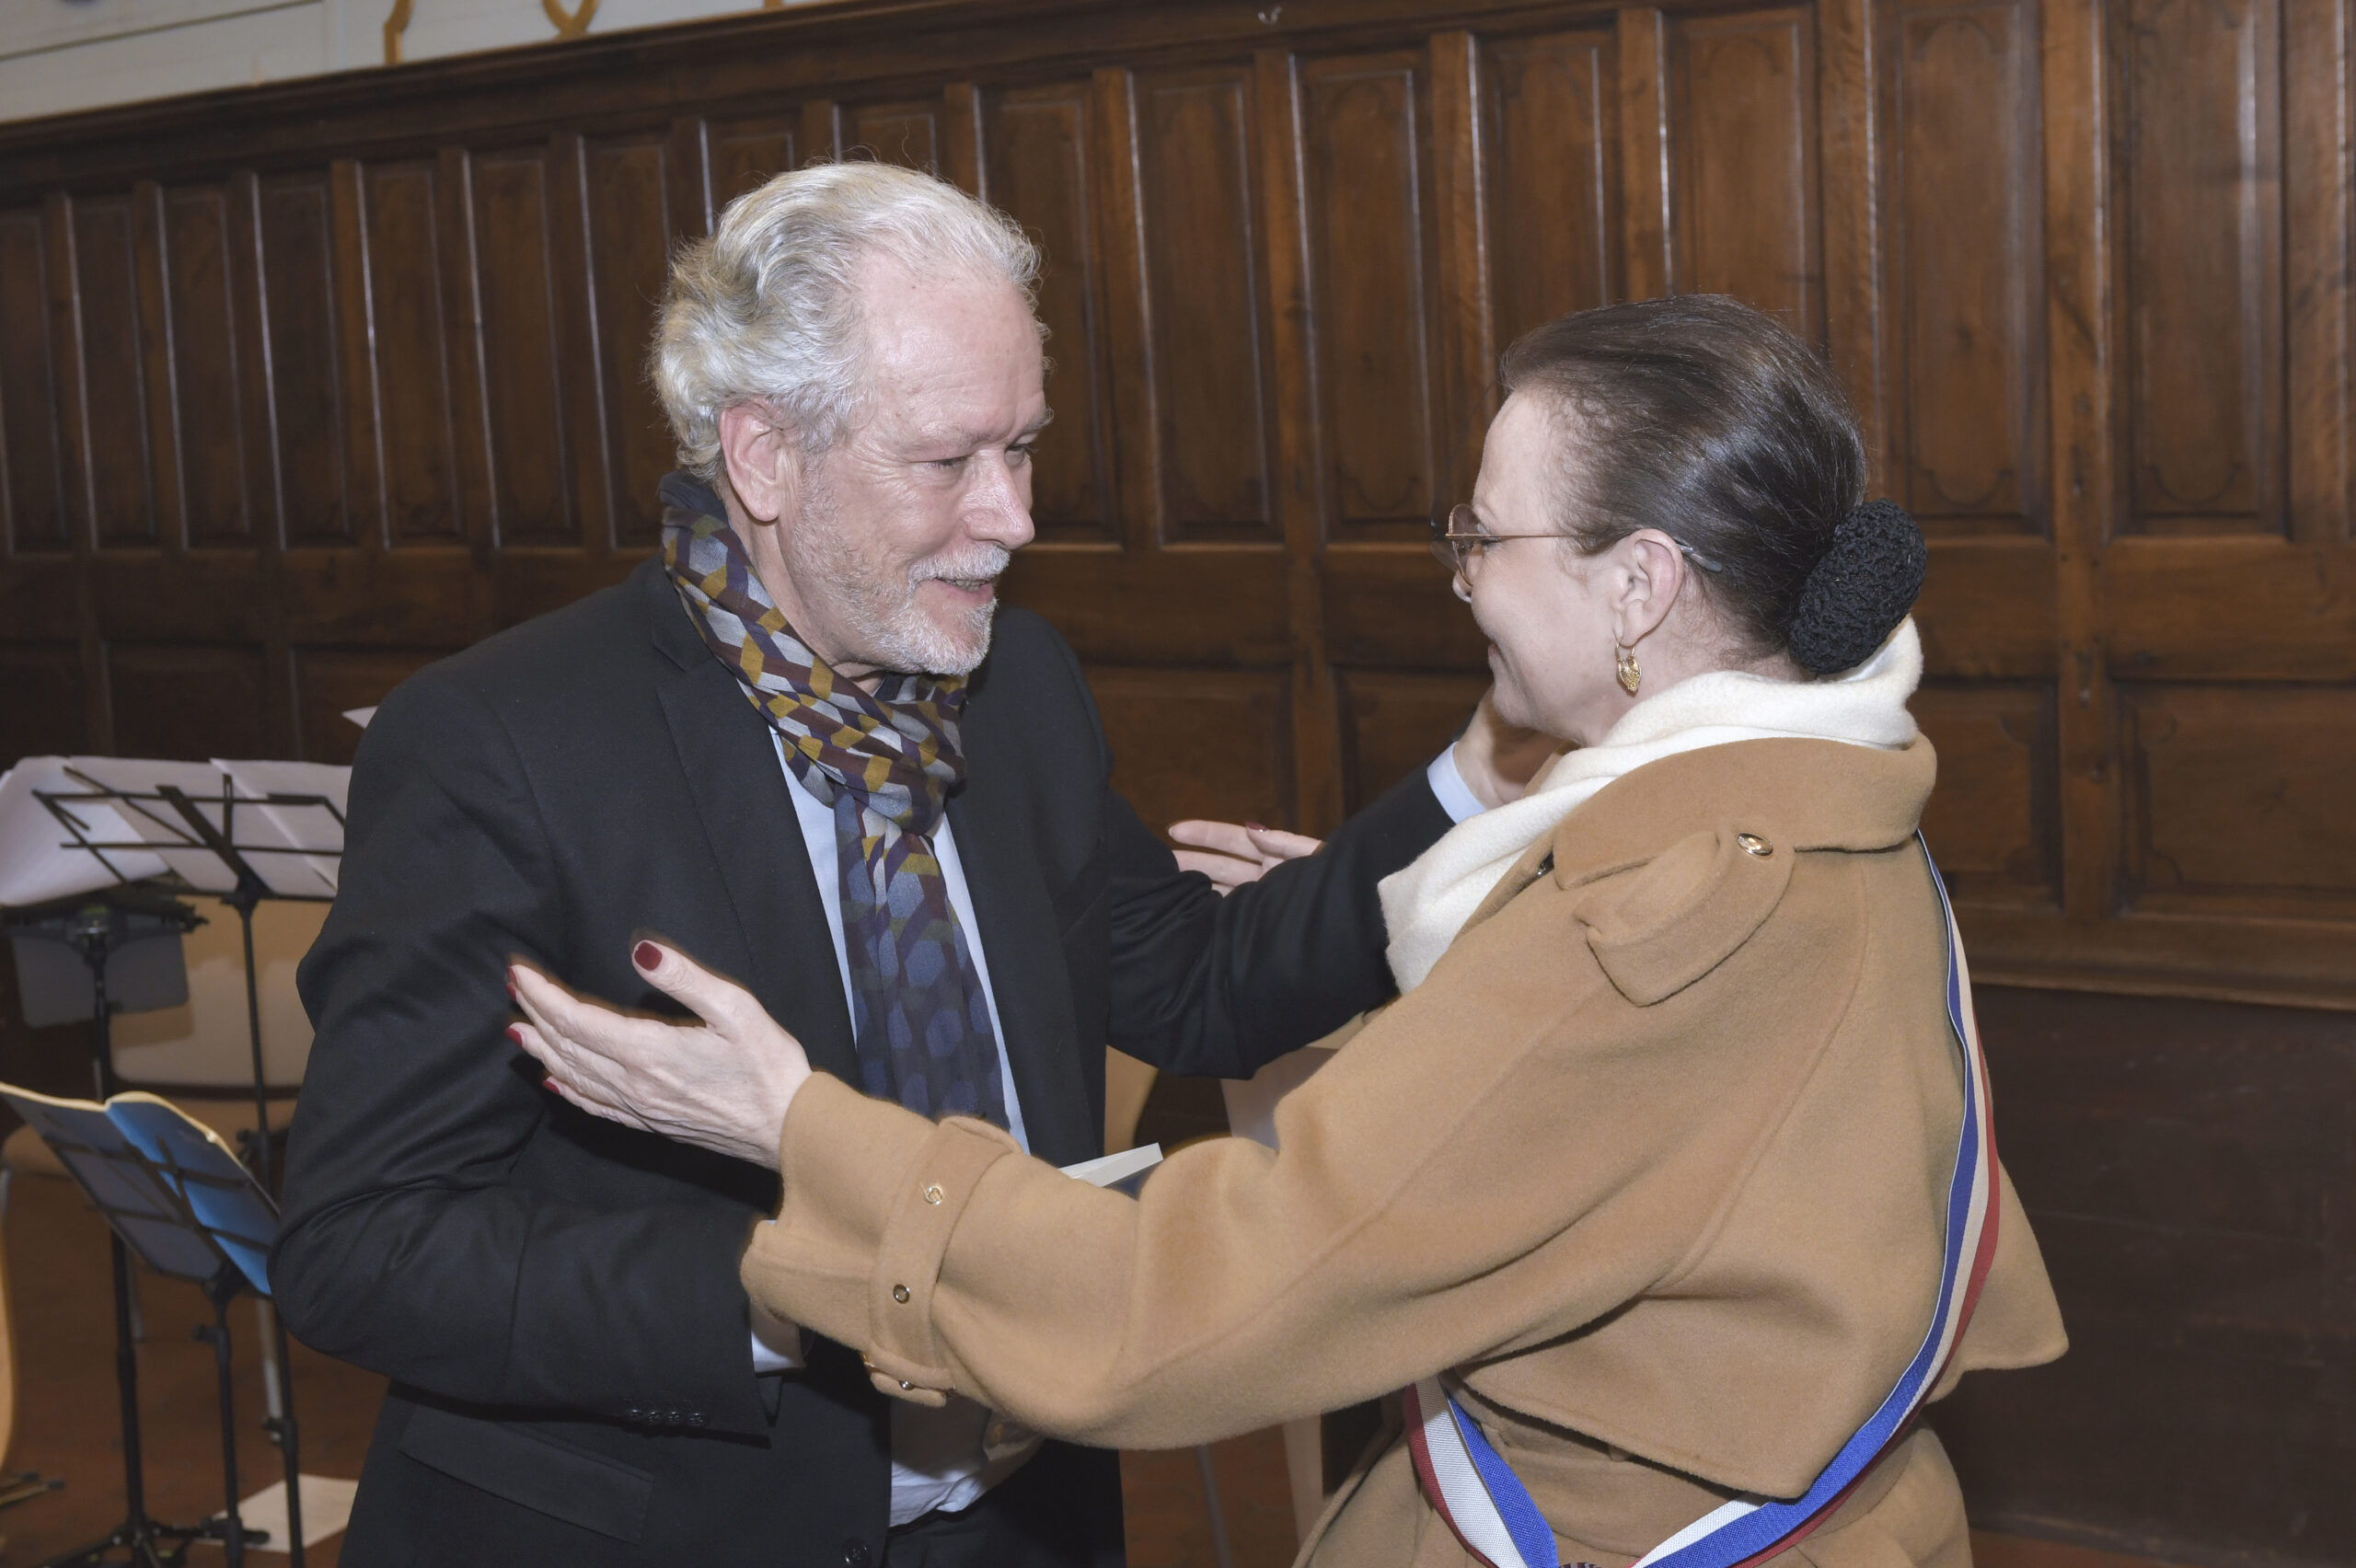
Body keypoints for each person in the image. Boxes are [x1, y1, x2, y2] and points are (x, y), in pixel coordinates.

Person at [510, 294, 2073, 1568]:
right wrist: (1482, 968)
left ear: (1639, 585)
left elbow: (1180, 1307)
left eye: (1487, 536)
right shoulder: (1833, 798)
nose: (1461, 582)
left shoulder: (1634, 920)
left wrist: (801, 1132)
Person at [270, 162, 1520, 1568]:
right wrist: (816, 1287)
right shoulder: (507, 742)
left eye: (1026, 447)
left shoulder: (1017, 681)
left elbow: (1194, 982)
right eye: (946, 462)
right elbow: (362, 1247)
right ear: (762, 455)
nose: (1013, 517)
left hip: (1017, 1520)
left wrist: (1483, 780)